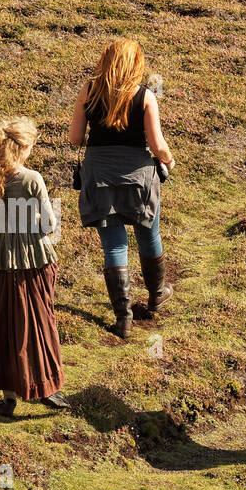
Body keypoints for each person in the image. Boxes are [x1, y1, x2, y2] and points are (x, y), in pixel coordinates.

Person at [68, 39, 175, 339]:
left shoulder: (89, 91)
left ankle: (123, 318)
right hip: (139, 179)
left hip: (99, 177)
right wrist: (169, 160)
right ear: (136, 65)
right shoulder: (146, 97)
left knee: (114, 245)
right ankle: (157, 294)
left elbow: (75, 138)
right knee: (148, 233)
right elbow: (157, 145)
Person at [0, 117, 68, 417]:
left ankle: (8, 397)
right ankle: (46, 387)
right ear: (22, 147)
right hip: (31, 258)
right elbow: (50, 224)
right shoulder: (32, 179)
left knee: (0, 326)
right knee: (35, 324)